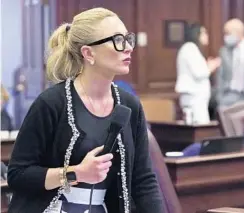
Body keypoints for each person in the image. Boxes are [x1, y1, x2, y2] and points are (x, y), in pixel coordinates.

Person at [7, 8, 163, 213]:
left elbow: (143, 180)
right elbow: (17, 175)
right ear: (88, 53)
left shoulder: (130, 105)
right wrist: (75, 173)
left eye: (128, 39)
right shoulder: (51, 103)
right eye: (118, 40)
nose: (128, 48)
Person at [175, 23, 220, 124]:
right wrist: (212, 65)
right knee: (200, 126)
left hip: (196, 97)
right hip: (194, 98)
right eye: (204, 33)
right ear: (197, 34)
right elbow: (200, 73)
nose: (207, 35)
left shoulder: (191, 49)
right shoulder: (190, 48)